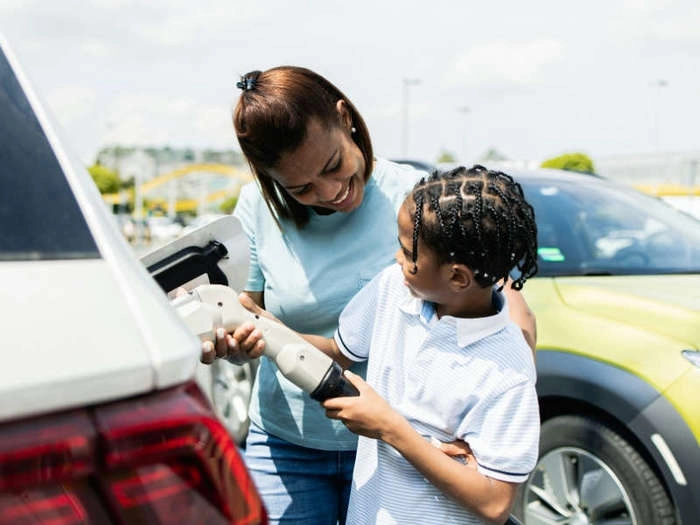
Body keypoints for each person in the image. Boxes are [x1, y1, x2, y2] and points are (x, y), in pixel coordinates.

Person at [203, 66, 538, 525]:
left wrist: (494, 409)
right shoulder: (257, 211)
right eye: (300, 189)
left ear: (346, 119)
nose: (330, 192)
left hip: (399, 453)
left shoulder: (417, 204)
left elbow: (504, 312)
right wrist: (241, 341)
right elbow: (261, 320)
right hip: (290, 439)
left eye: (332, 166)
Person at [240, 165, 540, 524]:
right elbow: (338, 353)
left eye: (408, 253)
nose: (397, 259)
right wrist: (265, 327)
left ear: (457, 277)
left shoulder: (507, 370)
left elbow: (494, 504)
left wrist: (389, 427)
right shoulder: (391, 290)